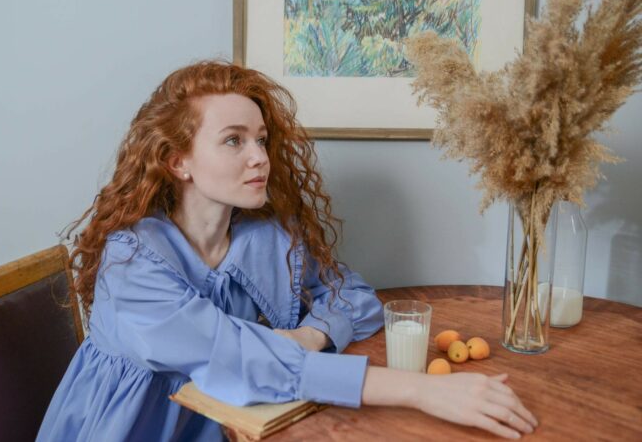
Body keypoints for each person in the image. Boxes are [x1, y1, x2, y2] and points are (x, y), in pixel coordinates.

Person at [37, 60, 537, 441]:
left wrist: (310, 335)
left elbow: (354, 296)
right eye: (233, 141)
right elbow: (239, 359)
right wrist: (421, 389)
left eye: (260, 138)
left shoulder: (266, 236)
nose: (259, 157)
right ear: (178, 161)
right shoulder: (132, 263)